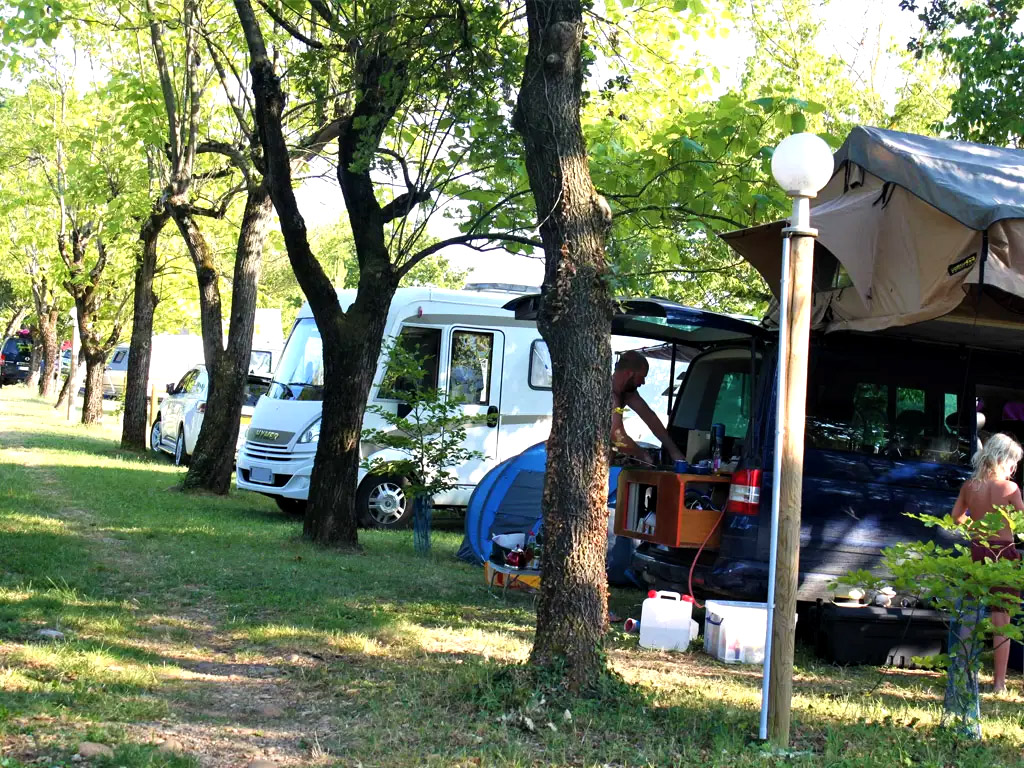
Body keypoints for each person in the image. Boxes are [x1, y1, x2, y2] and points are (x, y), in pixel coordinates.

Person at [951, 432, 1024, 693]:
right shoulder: (1010, 488)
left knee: (970, 615)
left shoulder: (970, 486)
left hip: (978, 552)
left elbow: (956, 517)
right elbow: (1021, 522)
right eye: (1013, 462)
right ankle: (999, 684)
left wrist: (977, 531)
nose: (1014, 468)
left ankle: (961, 677)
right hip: (1004, 554)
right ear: (1003, 460)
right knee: (1001, 619)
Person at [611, 350, 684, 465]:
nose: (643, 382)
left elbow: (650, 418)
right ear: (630, 374)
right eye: (642, 377)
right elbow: (618, 437)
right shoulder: (611, 398)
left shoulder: (627, 393)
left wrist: (674, 452)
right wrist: (643, 455)